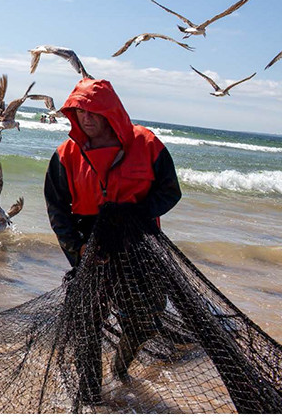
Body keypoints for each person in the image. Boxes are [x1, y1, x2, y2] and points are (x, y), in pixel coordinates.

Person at [43, 78, 181, 405]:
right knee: (86, 322)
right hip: (92, 247)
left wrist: (135, 214)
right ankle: (91, 395)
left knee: (146, 316)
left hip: (139, 244)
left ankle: (120, 366)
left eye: (91, 110)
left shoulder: (147, 144)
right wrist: (77, 250)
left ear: (110, 112)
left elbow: (170, 192)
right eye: (77, 111)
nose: (85, 118)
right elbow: (57, 208)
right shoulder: (65, 155)